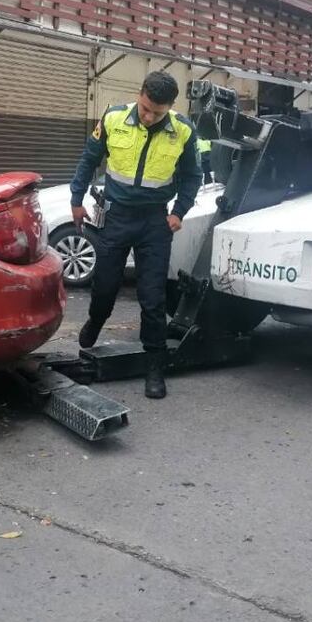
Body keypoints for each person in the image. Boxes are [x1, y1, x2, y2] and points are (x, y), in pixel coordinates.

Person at [69, 71, 203, 399]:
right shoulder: (113, 118)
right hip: (116, 216)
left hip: (154, 222)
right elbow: (89, 160)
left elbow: (192, 176)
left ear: (170, 107)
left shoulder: (183, 130)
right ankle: (96, 320)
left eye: (157, 112)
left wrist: (178, 212)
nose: (148, 117)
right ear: (139, 95)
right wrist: (76, 200)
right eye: (145, 108)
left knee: (153, 298)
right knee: (105, 285)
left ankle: (154, 365)